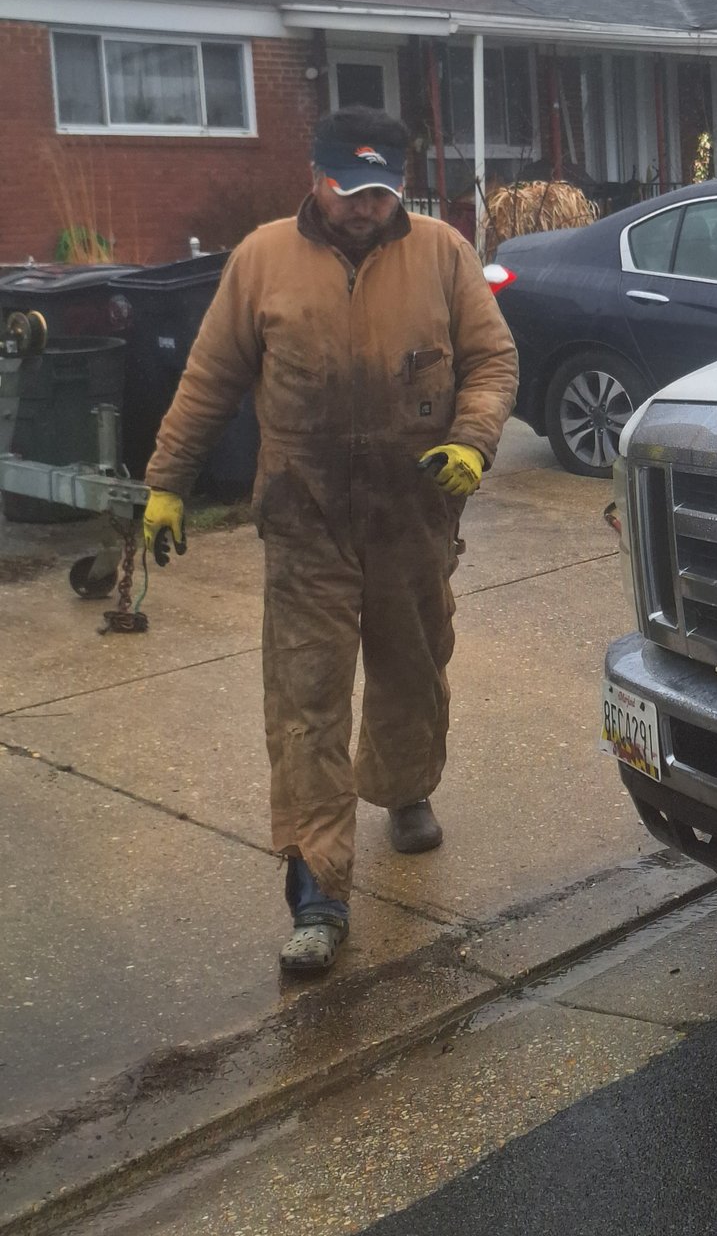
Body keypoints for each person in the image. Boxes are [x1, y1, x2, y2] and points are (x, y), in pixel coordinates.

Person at [142, 105, 518, 974]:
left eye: (381, 191)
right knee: (305, 698)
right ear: (314, 179)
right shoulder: (263, 258)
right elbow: (209, 378)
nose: (364, 207)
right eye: (350, 191)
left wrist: (473, 436)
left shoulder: (442, 253)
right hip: (304, 512)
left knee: (411, 667)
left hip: (412, 506)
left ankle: (404, 786)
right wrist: (166, 482)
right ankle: (317, 890)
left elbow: (493, 361)